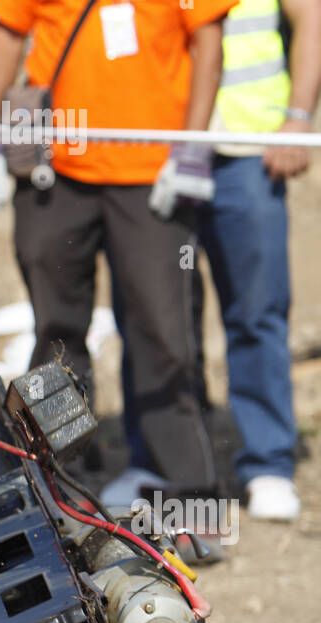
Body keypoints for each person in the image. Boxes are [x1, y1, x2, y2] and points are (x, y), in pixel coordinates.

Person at [0, 0, 236, 540]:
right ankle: (59, 488)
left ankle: (186, 502)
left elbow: (208, 40)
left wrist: (191, 146)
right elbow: (7, 35)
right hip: (54, 171)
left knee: (164, 332)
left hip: (151, 170)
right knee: (55, 335)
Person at [196, 0, 318, 521]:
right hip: (160, 146)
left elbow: (311, 16)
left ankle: (268, 461)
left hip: (247, 151)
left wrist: (297, 118)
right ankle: (173, 464)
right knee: (160, 316)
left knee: (256, 308)